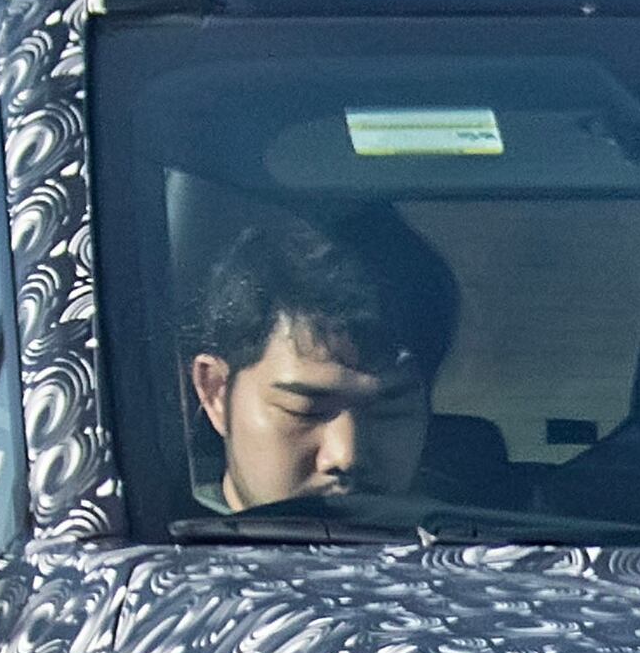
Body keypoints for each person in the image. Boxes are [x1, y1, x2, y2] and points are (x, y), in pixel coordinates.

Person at [186, 212, 455, 511]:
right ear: (216, 393)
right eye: (305, 411)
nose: (346, 455)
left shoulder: (482, 545)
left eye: (389, 412)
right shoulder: (151, 548)